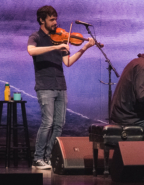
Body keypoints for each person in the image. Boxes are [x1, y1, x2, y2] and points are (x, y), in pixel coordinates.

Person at [27, 5, 95, 169]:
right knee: (47, 122)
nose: (55, 23)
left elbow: (68, 62)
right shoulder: (35, 37)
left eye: (56, 19)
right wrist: (56, 47)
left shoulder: (61, 38)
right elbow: (31, 51)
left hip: (60, 86)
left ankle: (48, 157)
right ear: (42, 20)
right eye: (51, 20)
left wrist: (84, 48)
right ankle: (37, 158)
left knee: (59, 124)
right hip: (45, 86)